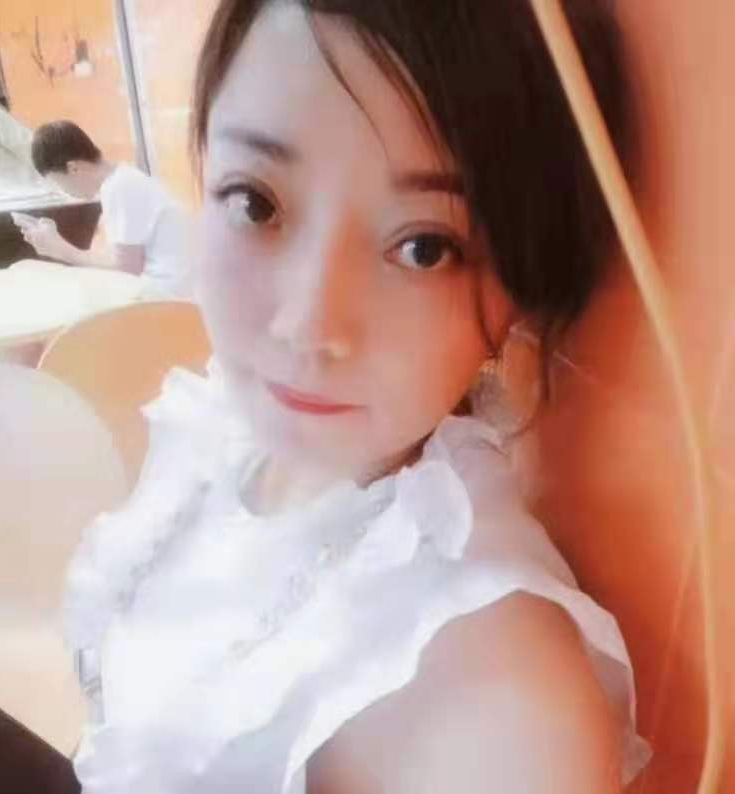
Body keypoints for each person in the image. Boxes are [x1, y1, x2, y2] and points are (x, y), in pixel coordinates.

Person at [64, 1, 651, 792]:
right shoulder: (229, 434)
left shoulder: (496, 699)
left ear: (524, 285)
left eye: (425, 247)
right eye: (256, 202)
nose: (308, 326)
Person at [24, 120, 191, 298]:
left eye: (58, 182)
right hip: (173, 292)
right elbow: (118, 259)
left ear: (73, 168)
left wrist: (59, 248)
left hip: (172, 299)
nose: (64, 191)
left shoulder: (119, 187)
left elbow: (127, 268)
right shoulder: (123, 179)